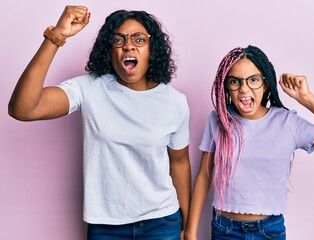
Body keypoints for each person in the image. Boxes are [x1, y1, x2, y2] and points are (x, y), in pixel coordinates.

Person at [8, 5, 191, 240]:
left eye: (139, 39)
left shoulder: (174, 102)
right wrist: (56, 36)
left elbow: (179, 163)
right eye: (118, 39)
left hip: (162, 222)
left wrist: (188, 225)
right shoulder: (89, 88)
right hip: (105, 227)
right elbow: (22, 109)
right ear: (109, 49)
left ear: (152, 48)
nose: (128, 45)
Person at [185, 45, 314, 240]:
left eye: (253, 80)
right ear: (226, 86)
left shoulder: (287, 123)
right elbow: (204, 176)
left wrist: (307, 98)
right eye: (235, 81)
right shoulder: (219, 120)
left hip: (268, 231)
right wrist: (191, 231)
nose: (244, 89)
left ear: (266, 84)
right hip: (224, 229)